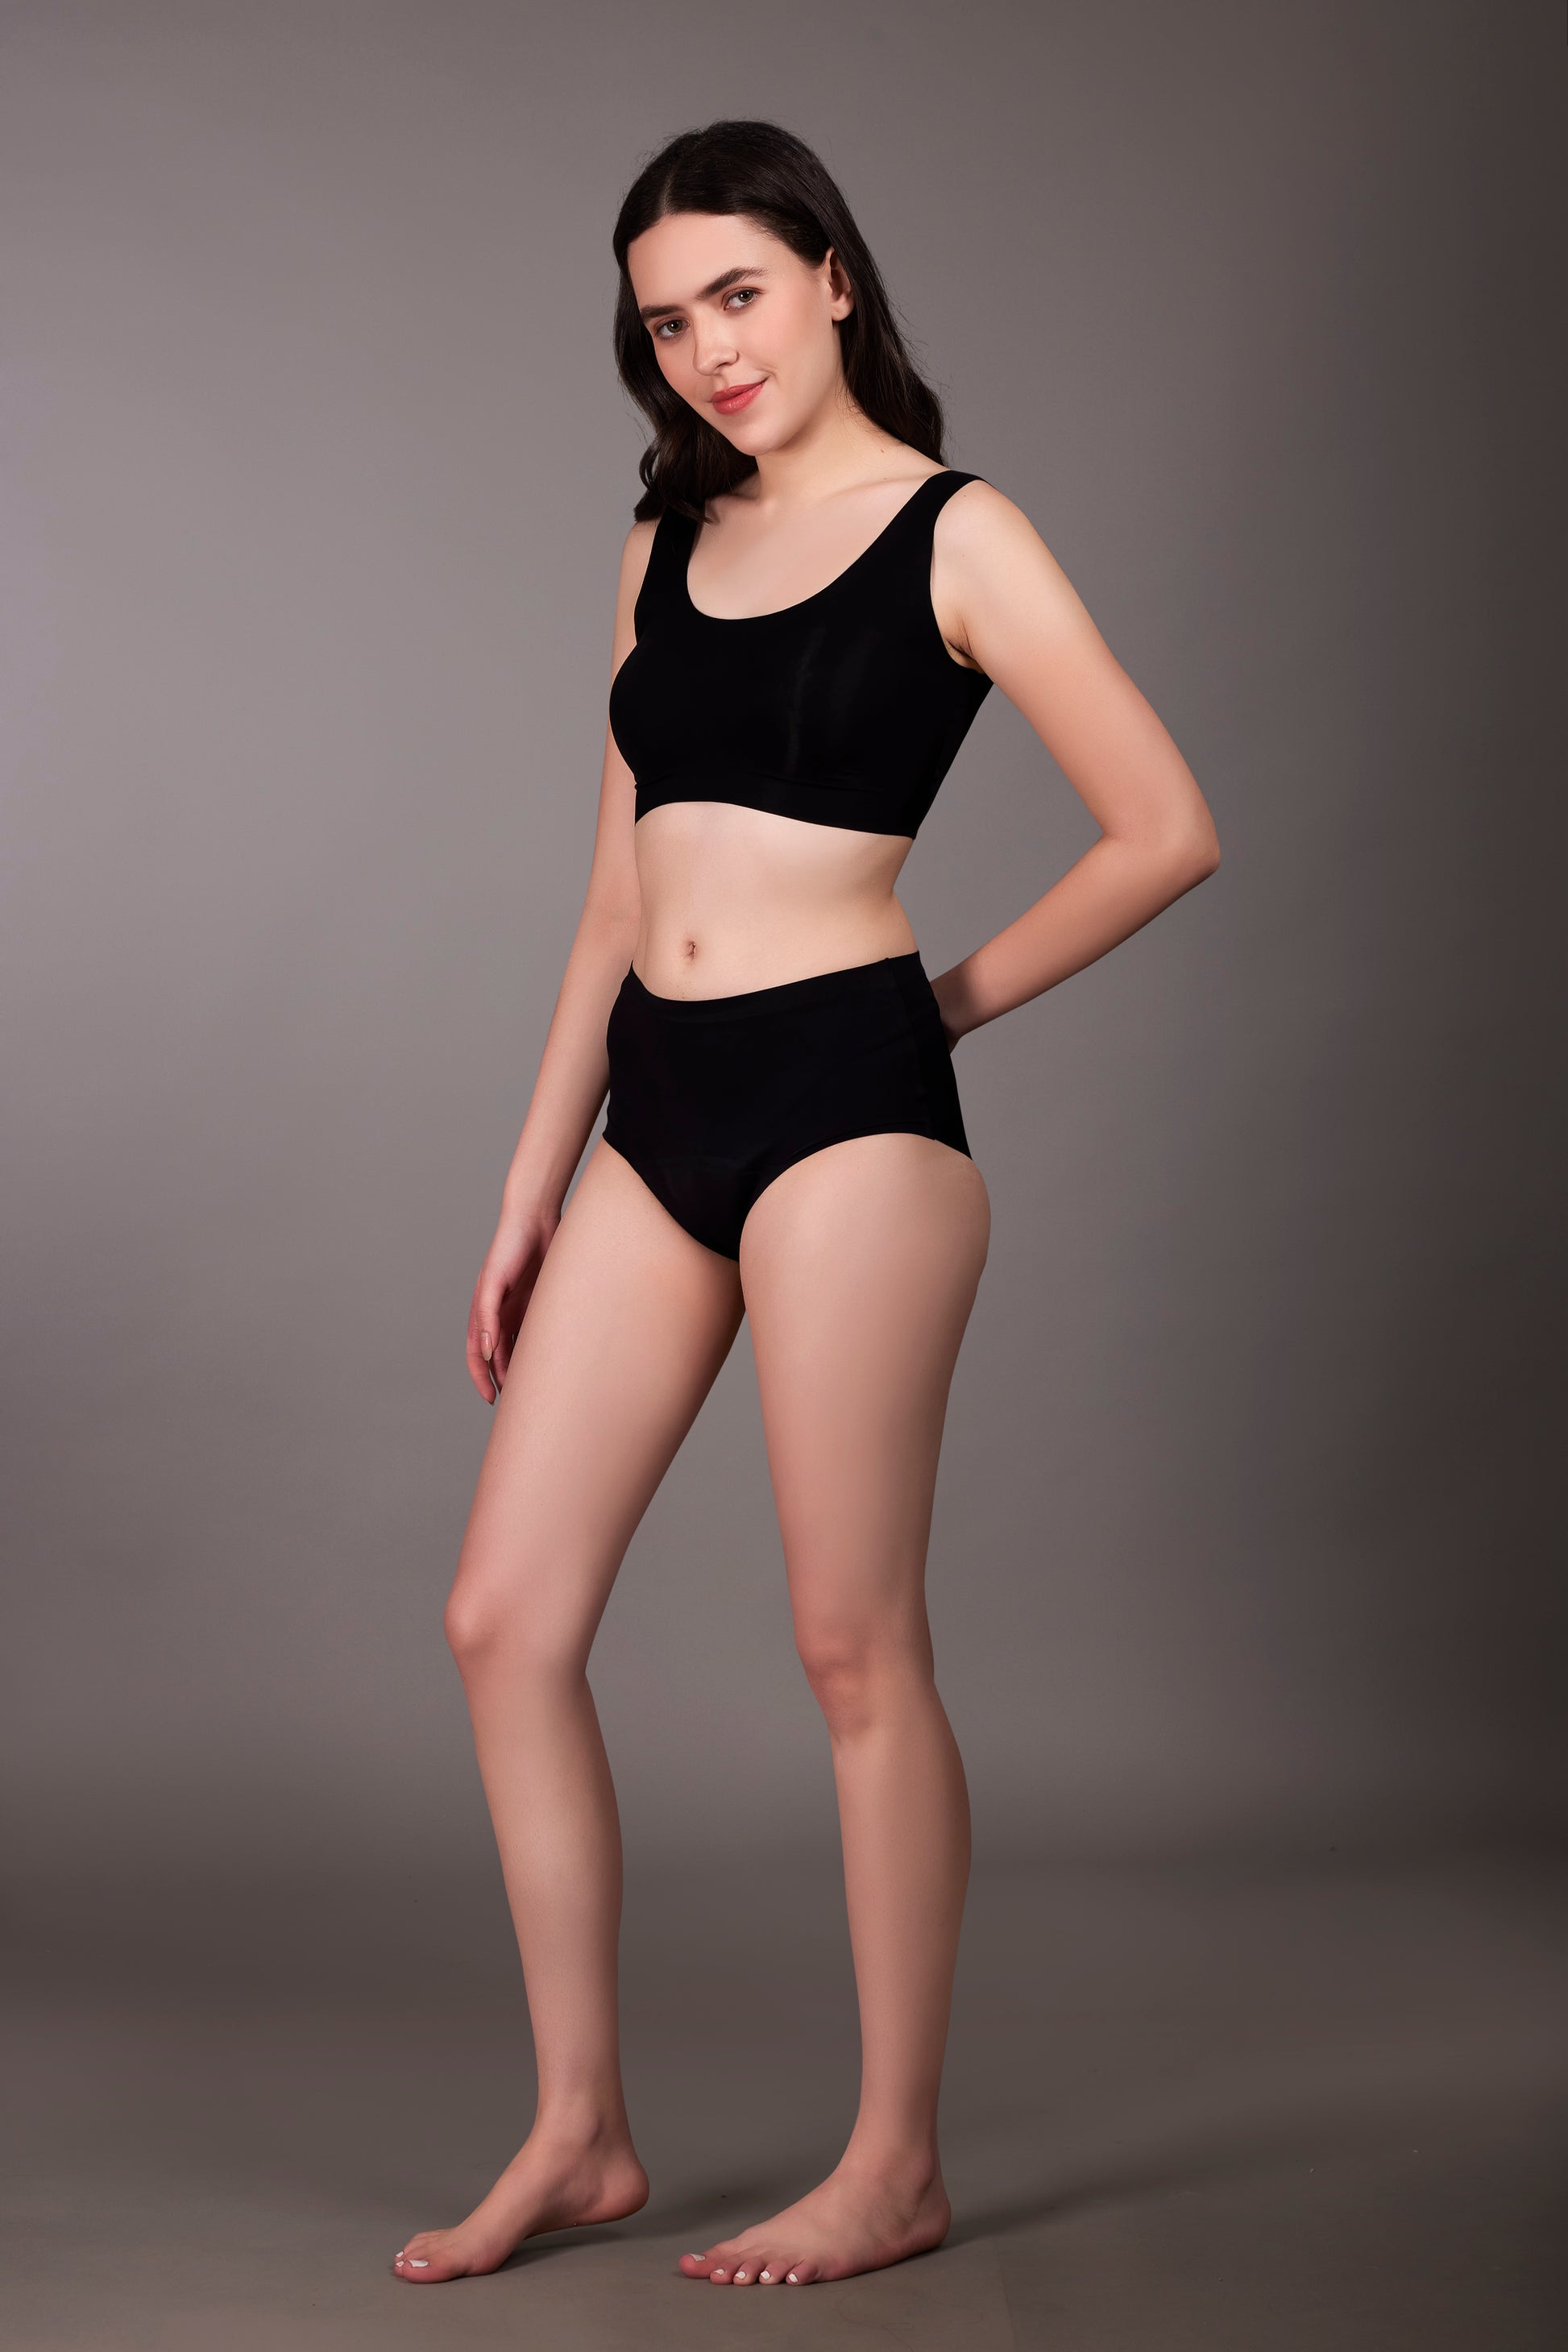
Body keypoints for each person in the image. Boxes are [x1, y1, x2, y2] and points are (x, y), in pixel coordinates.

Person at [392, 118, 1219, 2292]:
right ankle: (581, 2130)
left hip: (849, 1105)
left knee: (851, 1643)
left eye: (738, 295)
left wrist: (928, 1010)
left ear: (833, 276)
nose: (708, 351)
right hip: (655, 1107)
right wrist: (526, 1187)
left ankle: (893, 2163)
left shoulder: (960, 532)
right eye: (667, 324)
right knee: (502, 1618)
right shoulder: (661, 544)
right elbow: (610, 901)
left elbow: (1163, 827)